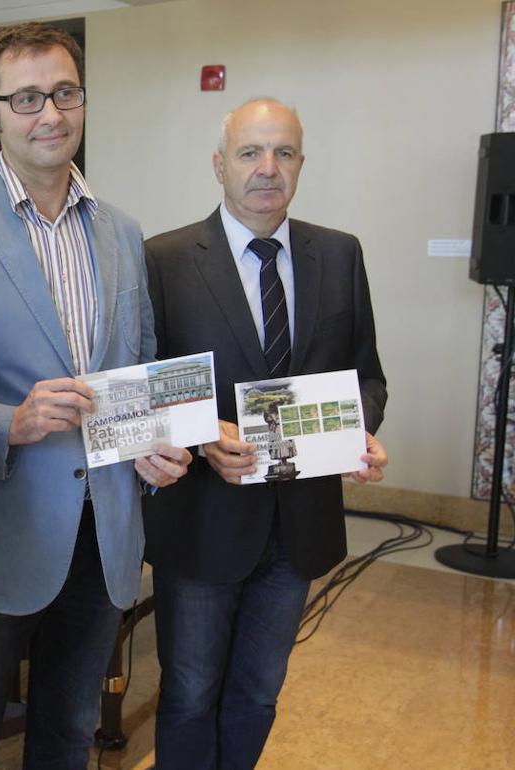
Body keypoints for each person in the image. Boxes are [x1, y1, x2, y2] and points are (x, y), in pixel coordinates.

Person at [0, 22, 190, 769]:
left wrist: (156, 437)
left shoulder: (122, 231)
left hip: (107, 530)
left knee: (68, 729)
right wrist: (5, 423)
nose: (50, 114)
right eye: (26, 98)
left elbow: (140, 365)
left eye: (64, 93)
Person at [142, 97, 389, 770]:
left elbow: (367, 379)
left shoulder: (339, 254)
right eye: (251, 153)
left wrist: (357, 432)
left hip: (299, 526)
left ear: (301, 164)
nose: (267, 168)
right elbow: (142, 393)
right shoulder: (163, 259)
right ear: (221, 165)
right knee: (190, 692)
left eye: (284, 153)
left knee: (259, 690)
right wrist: (200, 436)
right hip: (201, 524)